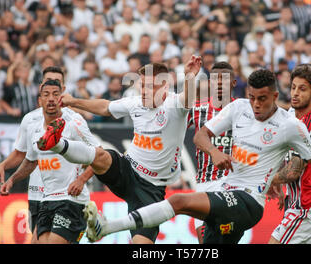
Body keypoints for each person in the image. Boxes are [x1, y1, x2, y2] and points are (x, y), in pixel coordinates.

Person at [73, 69, 311, 244]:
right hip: (224, 188)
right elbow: (200, 136)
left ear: (275, 96)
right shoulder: (238, 108)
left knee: (178, 200)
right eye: (252, 97)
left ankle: (105, 228)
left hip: (249, 201)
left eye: (262, 99)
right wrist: (216, 152)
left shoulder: (291, 125)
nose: (256, 104)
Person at [38, 56, 202, 244]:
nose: (144, 91)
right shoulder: (135, 102)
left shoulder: (174, 105)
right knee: (101, 155)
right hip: (127, 170)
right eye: (142, 85)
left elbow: (188, 98)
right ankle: (56, 144)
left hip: (151, 189)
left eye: (150, 86)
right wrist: (74, 101)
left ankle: (109, 229)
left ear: (164, 86)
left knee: (143, 246)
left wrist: (190, 77)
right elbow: (105, 107)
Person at [0, 66, 95, 242]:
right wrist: (11, 178)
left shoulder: (74, 121)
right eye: (46, 93)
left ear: (63, 93)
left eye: (56, 93)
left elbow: (99, 155)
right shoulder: (32, 123)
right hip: (43, 198)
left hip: (71, 199)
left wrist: (81, 179)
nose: (51, 99)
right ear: (40, 97)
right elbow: (28, 159)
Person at [268, 64, 311, 244]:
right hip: (304, 207)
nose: (295, 93)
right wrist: (281, 186)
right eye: (293, 87)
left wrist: (267, 180)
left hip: (306, 208)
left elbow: (293, 171)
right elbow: (288, 164)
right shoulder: (295, 122)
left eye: (302, 89)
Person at [186, 61, 236, 243]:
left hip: (232, 183)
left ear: (234, 83)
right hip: (204, 184)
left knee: (222, 240)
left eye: (225, 79)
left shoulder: (243, 109)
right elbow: (173, 129)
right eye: (215, 79)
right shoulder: (198, 109)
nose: (220, 83)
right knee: (205, 242)